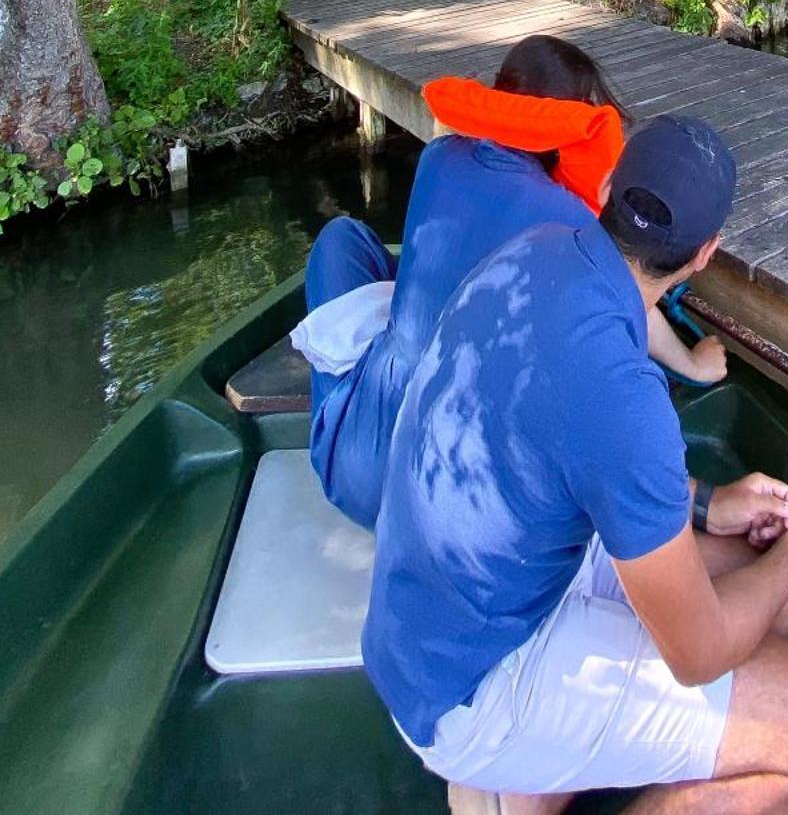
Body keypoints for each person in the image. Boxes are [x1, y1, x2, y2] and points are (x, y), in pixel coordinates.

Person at [363, 113, 788, 814]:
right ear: (704, 253)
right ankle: (501, 762)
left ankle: (518, 793)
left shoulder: (535, 249)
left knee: (765, 601)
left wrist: (707, 503)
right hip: (470, 685)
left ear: (604, 186)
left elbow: (572, 446)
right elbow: (697, 653)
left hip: (431, 624)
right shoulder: (625, 397)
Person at [297, 35, 726, 531]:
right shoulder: (570, 223)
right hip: (433, 507)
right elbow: (629, 299)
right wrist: (694, 363)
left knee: (341, 238)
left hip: (351, 472)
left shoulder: (438, 158)